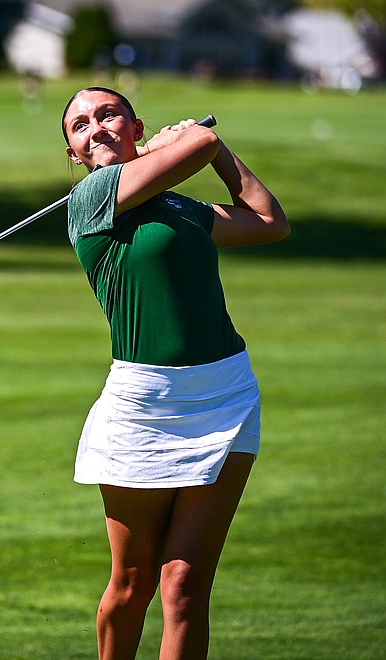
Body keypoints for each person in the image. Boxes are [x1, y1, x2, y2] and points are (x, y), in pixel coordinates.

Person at [61, 87, 289, 659]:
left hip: (226, 396)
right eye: (80, 126)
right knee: (132, 586)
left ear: (135, 126)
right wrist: (195, 141)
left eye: (108, 115)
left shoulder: (182, 208)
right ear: (75, 154)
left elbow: (267, 220)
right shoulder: (90, 198)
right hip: (143, 407)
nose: (97, 128)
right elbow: (203, 141)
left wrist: (210, 151)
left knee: (184, 587)